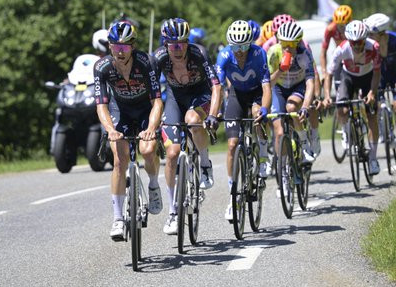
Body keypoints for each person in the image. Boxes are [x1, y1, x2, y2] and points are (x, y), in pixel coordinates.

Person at [93, 20, 164, 241]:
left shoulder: (146, 62)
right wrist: (110, 130)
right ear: (109, 46)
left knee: (148, 149)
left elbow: (158, 101)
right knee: (119, 159)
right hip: (119, 110)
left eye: (125, 47)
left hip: (145, 109)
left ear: (132, 46)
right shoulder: (102, 68)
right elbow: (101, 105)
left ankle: (153, 185)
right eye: (115, 46)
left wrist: (152, 128)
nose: (120, 51)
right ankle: (117, 218)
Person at [153, 18, 222, 235]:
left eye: (182, 43)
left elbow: (216, 87)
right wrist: (152, 122)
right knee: (172, 154)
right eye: (173, 44)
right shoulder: (159, 58)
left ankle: (204, 163)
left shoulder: (199, 53)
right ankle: (173, 212)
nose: (178, 49)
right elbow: (151, 94)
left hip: (200, 95)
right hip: (175, 98)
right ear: (165, 44)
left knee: (193, 120)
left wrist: (212, 114)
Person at [215, 20, 272, 221]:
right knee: (231, 145)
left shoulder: (258, 54)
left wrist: (264, 109)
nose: (239, 51)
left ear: (250, 43)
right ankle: (232, 196)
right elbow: (218, 88)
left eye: (244, 46)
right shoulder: (223, 56)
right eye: (235, 46)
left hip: (256, 94)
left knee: (257, 113)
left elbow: (266, 88)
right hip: (236, 95)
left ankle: (263, 157)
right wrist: (215, 113)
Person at [322, 20, 382, 175]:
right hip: (348, 77)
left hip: (368, 78)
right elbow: (328, 74)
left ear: (365, 38)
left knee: (372, 115)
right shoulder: (342, 49)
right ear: (348, 40)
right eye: (353, 42)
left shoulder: (374, 47)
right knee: (341, 107)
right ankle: (346, 131)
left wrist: (372, 93)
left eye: (360, 42)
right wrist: (327, 96)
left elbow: (377, 72)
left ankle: (373, 158)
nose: (357, 46)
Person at [267, 21, 317, 165]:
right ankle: (282, 172)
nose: (288, 48)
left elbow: (310, 83)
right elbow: (268, 83)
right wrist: (281, 70)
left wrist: (305, 107)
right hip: (278, 87)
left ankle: (304, 143)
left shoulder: (304, 53)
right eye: (284, 44)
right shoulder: (274, 52)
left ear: (298, 43)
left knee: (291, 108)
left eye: (292, 45)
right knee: (279, 131)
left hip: (297, 86)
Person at [364, 13, 396, 157]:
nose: (369, 36)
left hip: (395, 74)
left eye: (372, 34)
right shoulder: (370, 44)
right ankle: (384, 129)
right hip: (379, 76)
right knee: (377, 107)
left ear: (382, 34)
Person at [320, 5, 352, 77]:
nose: (342, 28)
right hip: (340, 57)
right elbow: (323, 53)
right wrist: (324, 72)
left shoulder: (354, 27)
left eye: (344, 25)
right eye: (339, 25)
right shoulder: (330, 29)